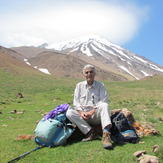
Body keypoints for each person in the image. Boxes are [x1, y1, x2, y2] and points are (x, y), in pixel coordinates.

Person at [66, 64, 113, 149]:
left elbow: (103, 100)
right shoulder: (79, 86)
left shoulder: (100, 85)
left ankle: (106, 136)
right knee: (69, 113)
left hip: (95, 115)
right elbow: (76, 102)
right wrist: (81, 112)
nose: (89, 74)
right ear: (83, 74)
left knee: (104, 105)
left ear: (94, 74)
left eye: (91, 72)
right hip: (84, 116)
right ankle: (90, 133)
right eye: (86, 72)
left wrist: (92, 111)